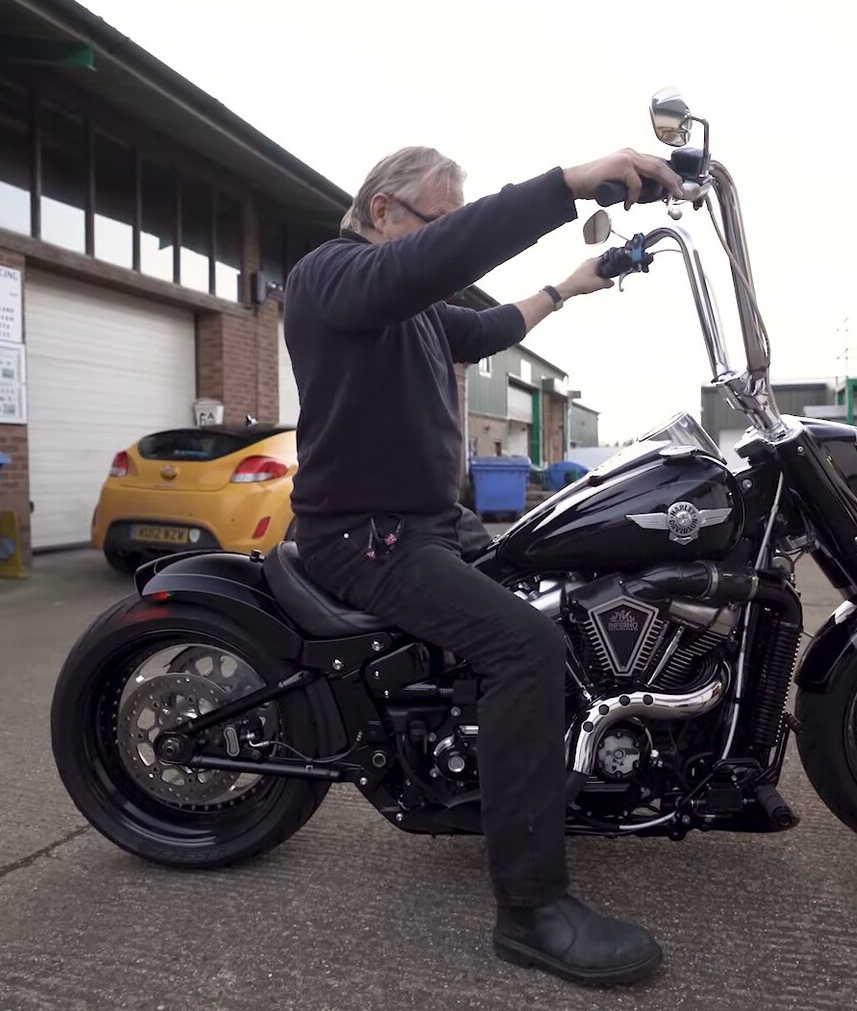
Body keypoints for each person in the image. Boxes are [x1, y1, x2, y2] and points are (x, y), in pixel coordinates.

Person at [283, 146, 683, 986]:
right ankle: (531, 911)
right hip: (364, 535)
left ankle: (518, 778)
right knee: (523, 646)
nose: (450, 238)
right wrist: (569, 185)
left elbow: (494, 326)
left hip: (432, 525)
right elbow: (442, 258)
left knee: (564, 588)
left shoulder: (419, 314)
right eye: (441, 219)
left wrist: (574, 284)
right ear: (384, 211)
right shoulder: (331, 276)